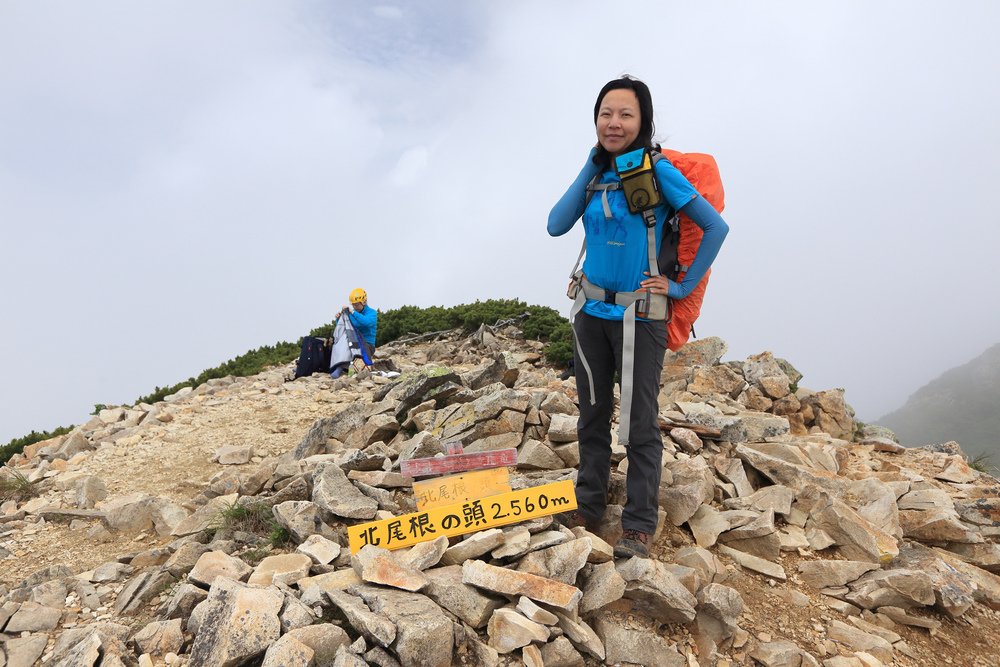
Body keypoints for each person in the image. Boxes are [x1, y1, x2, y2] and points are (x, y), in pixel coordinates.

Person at [547, 76, 729, 558]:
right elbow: (555, 224)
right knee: (591, 413)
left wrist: (682, 285)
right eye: (606, 113)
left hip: (640, 315)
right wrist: (591, 163)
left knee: (640, 422)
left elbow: (715, 226)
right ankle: (588, 506)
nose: (614, 123)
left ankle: (638, 524)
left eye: (626, 114)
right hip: (589, 311)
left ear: (643, 121)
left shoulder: (657, 171)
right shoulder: (595, 175)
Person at [337, 287, 378, 359]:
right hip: (354, 343)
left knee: (348, 348)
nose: (355, 307)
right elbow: (344, 328)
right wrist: (338, 319)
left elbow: (366, 322)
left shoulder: (372, 313)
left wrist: (353, 312)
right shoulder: (352, 315)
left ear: (364, 302)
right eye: (353, 305)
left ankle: (341, 369)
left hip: (368, 346)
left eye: (356, 304)